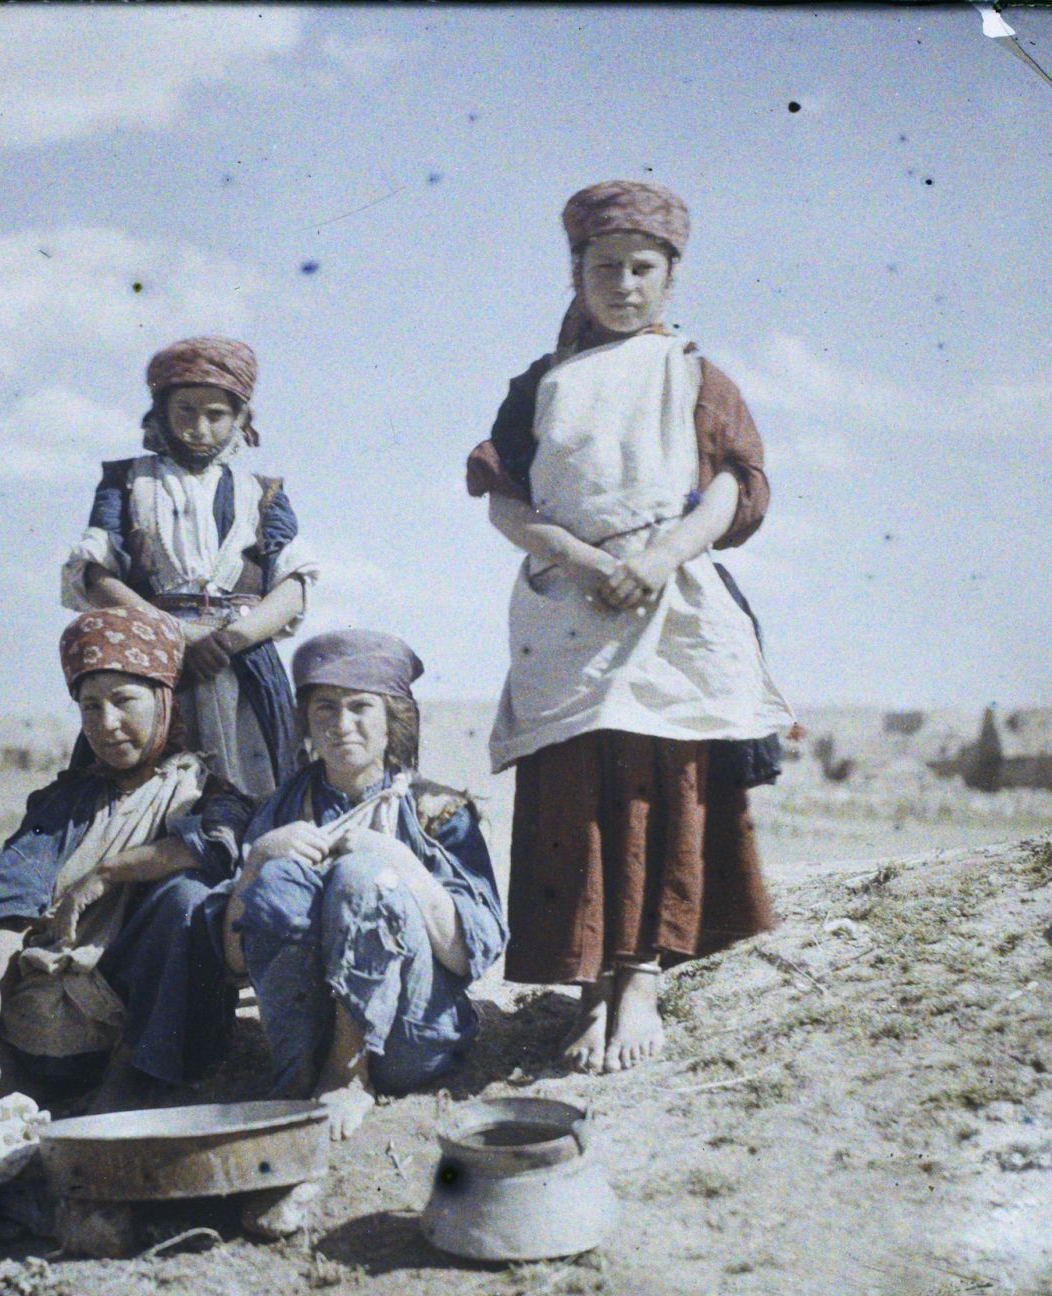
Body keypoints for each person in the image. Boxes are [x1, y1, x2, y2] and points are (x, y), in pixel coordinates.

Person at [465, 179, 794, 1074]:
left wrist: (655, 558)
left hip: (666, 592)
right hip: (569, 600)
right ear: (575, 273)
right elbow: (505, 501)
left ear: (671, 275)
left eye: (641, 268)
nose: (623, 284)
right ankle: (590, 990)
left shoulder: (692, 372)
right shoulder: (540, 385)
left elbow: (732, 485)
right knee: (576, 792)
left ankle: (642, 975)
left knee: (659, 780)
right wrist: (585, 561)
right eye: (603, 267)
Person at [0, 609, 251, 1111]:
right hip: (36, 999)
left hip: (139, 1005)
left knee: (188, 899)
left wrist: (104, 874)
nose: (106, 724)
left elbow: (214, 848)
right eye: (90, 706)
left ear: (163, 701)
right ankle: (1, 1064)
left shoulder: (208, 793)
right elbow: (11, 905)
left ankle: (128, 1078)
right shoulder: (62, 802)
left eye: (123, 701)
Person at [219, 630, 506, 1140]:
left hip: (408, 1039)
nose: (341, 725)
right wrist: (255, 862)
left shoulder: (436, 811)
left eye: (360, 708)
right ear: (304, 719)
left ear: (391, 717)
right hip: (304, 1046)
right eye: (325, 708)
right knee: (280, 874)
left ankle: (349, 1076)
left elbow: (468, 955)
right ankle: (302, 1081)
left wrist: (396, 860)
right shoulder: (283, 810)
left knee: (365, 874)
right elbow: (235, 961)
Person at [60, 334, 320, 799]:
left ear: (240, 417)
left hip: (242, 659)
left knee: (257, 785)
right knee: (142, 784)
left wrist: (228, 640)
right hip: (152, 658)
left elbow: (293, 585)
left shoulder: (264, 493)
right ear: (161, 412)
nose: (199, 426)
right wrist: (181, 636)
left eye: (216, 414)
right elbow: (97, 576)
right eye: (185, 411)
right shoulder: (126, 482)